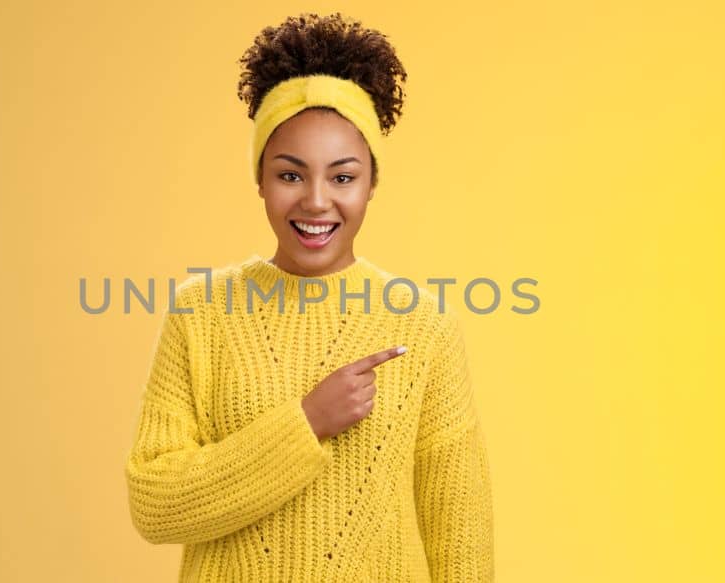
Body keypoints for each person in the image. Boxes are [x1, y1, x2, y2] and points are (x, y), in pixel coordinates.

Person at [123, 12, 494, 581]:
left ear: (372, 183)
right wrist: (306, 422)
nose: (317, 202)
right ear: (260, 180)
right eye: (291, 175)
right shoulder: (201, 313)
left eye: (342, 177)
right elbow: (154, 503)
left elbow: (458, 530)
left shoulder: (422, 325)